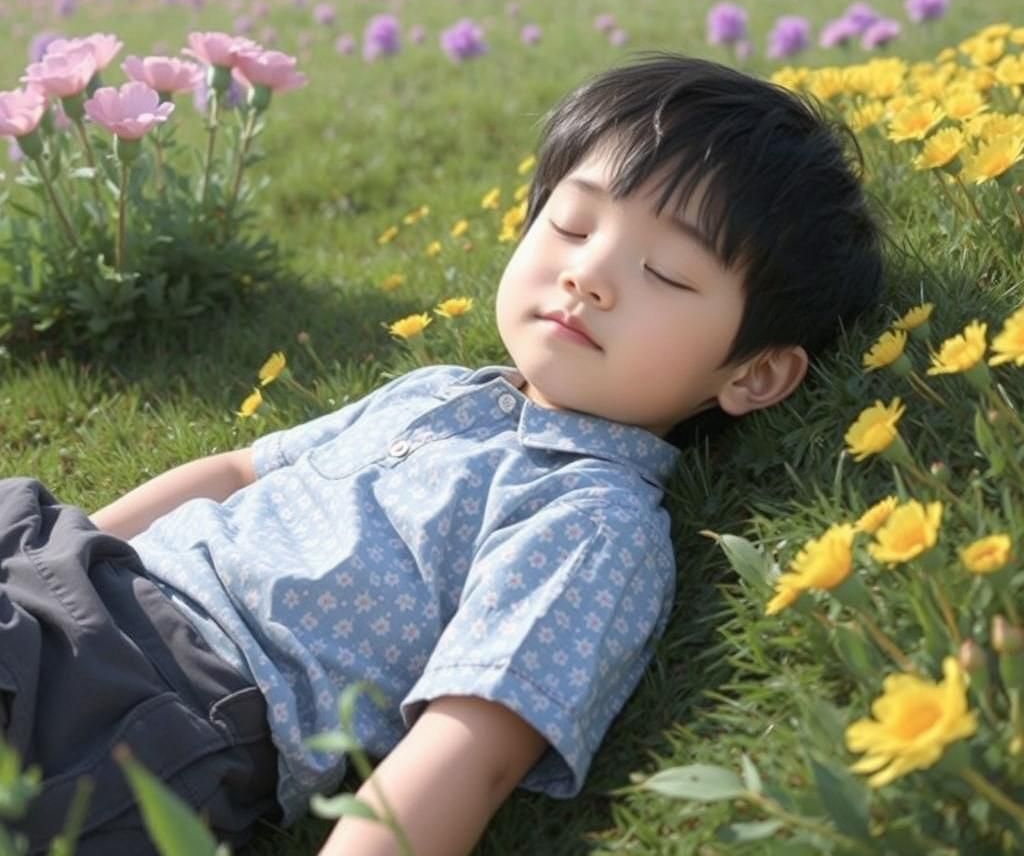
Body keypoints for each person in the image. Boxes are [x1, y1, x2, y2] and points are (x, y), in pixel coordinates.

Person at [2, 55, 883, 856]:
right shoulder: (440, 386)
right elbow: (239, 470)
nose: (590, 274)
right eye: (573, 225)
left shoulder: (589, 518)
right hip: (68, 574)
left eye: (669, 275)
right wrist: (65, 553)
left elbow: (473, 743)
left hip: (161, 692)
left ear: (756, 374)